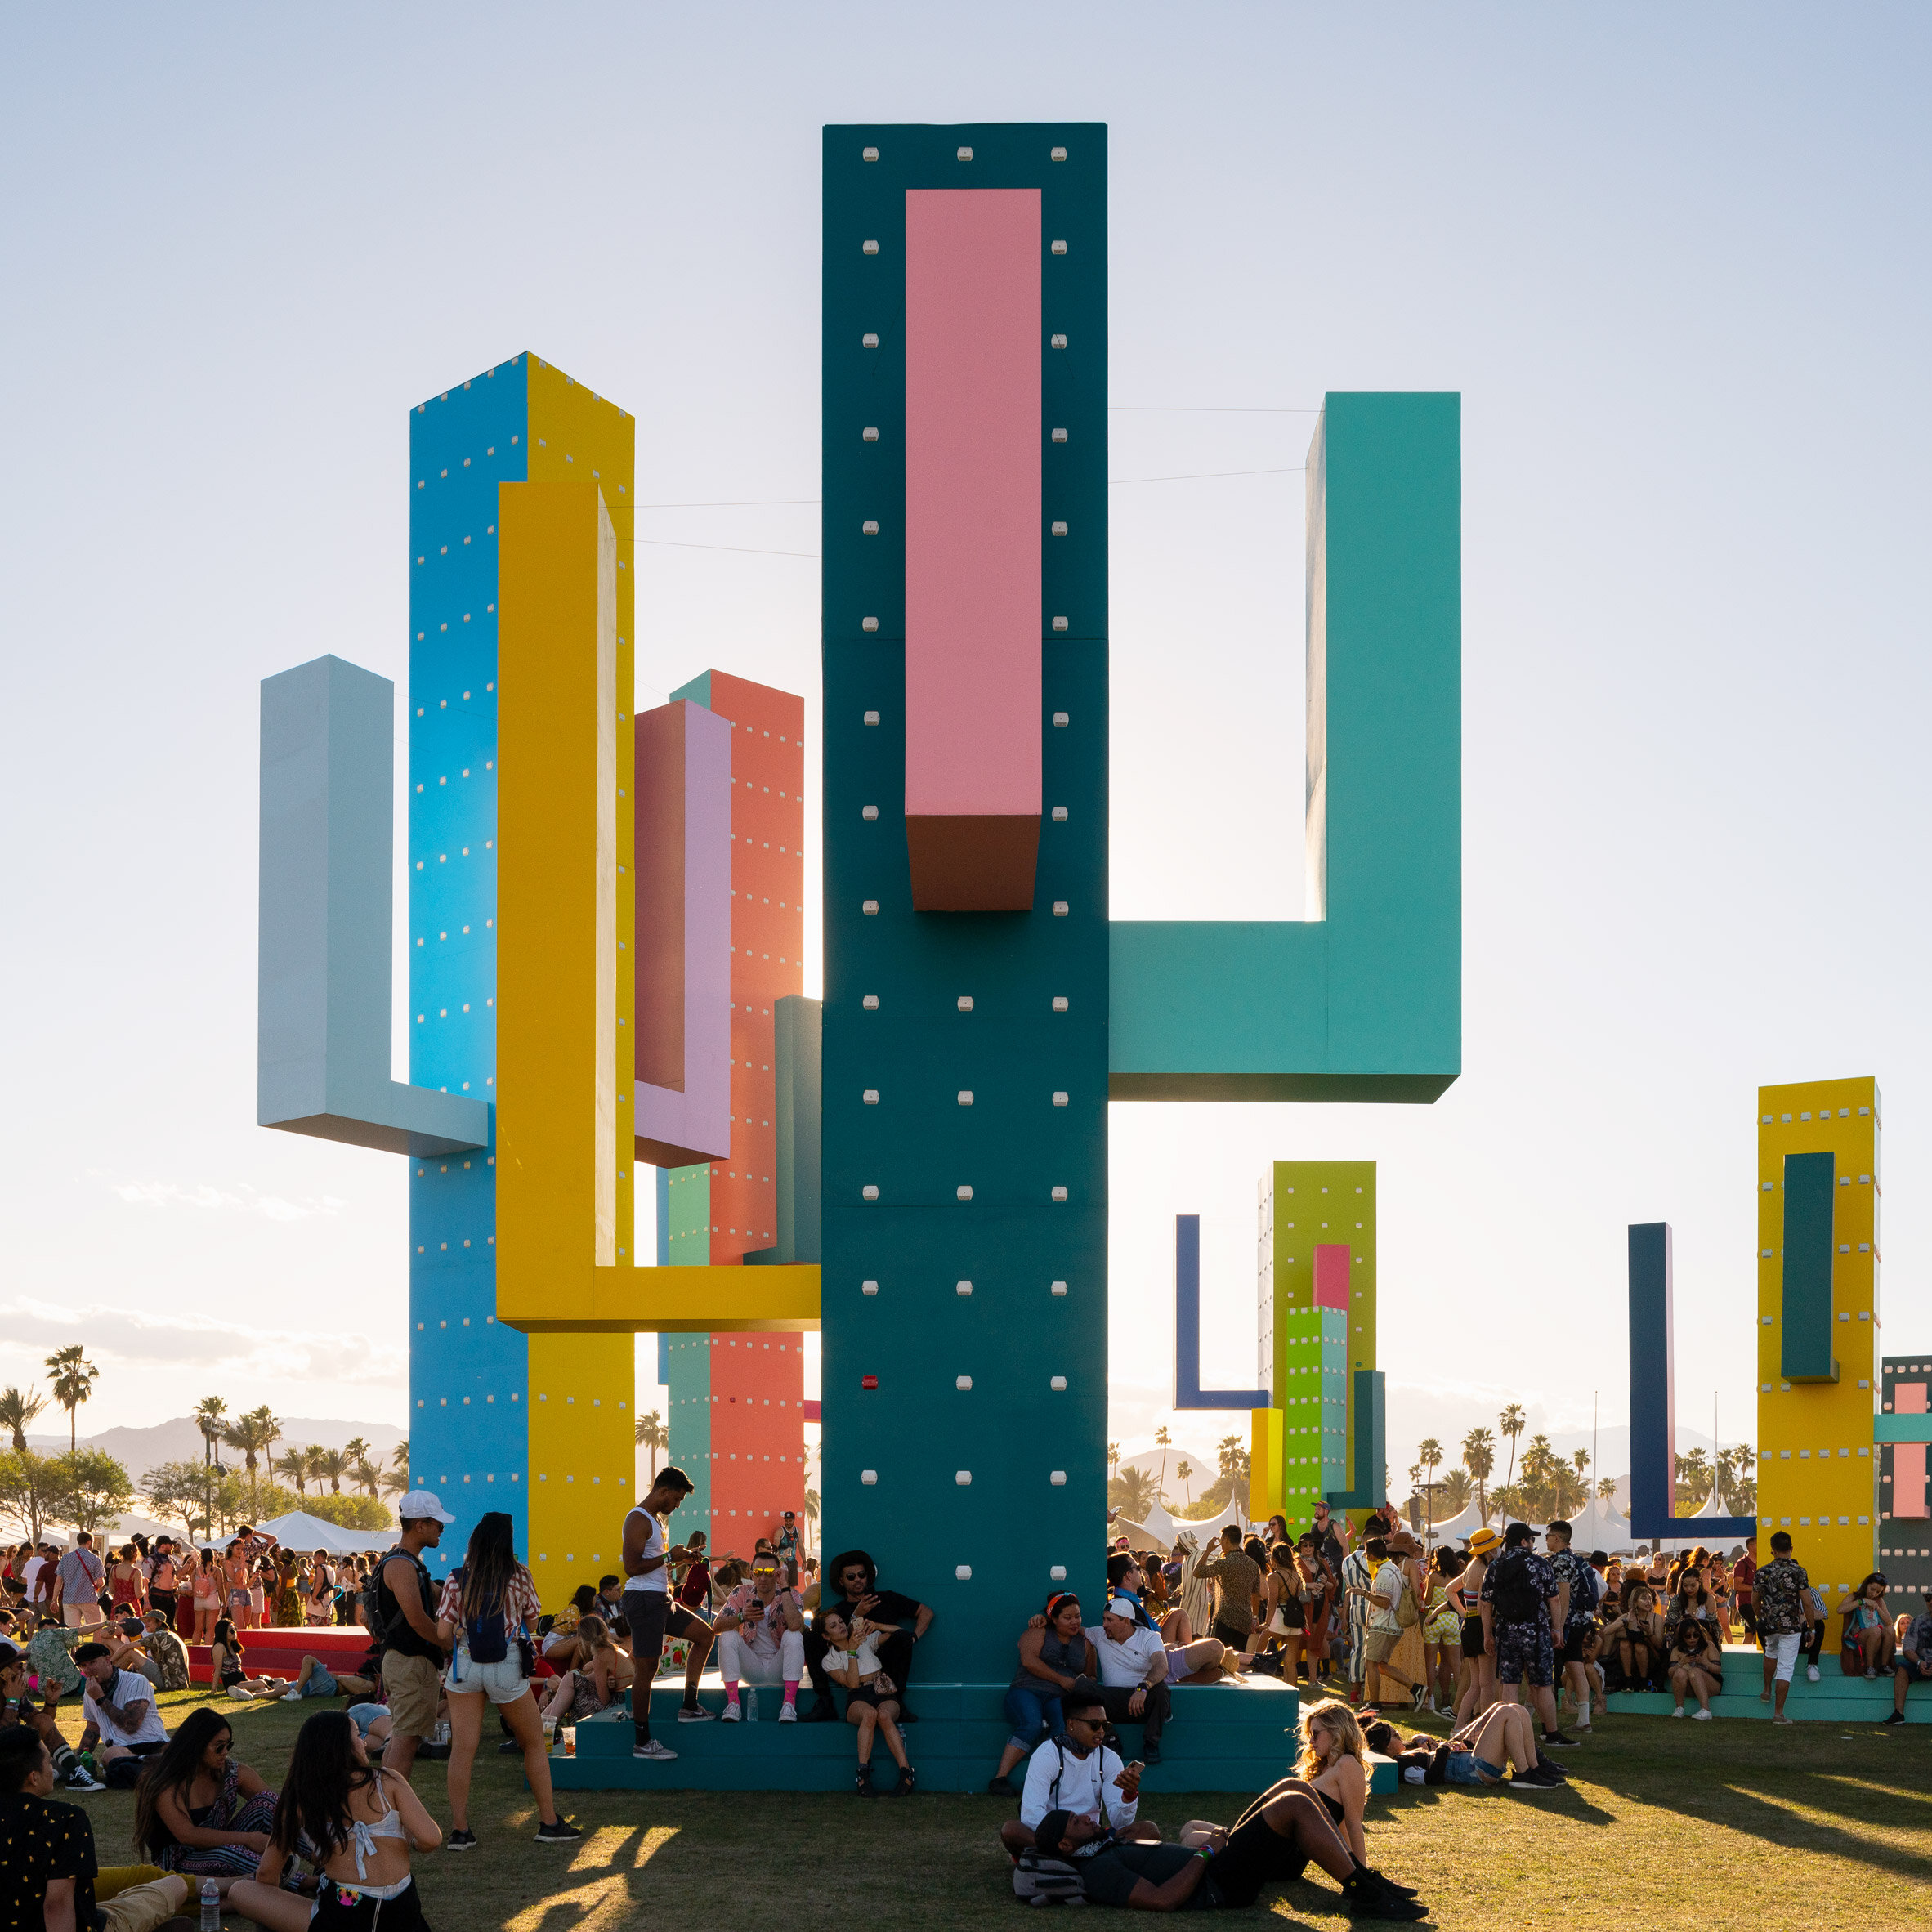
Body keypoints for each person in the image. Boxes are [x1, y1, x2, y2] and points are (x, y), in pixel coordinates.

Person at [433, 1508, 579, 1850]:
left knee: (463, 1749)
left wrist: (461, 1629)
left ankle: (460, 1831)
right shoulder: (519, 1575)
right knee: (532, 1742)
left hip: (465, 1666)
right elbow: (531, 1623)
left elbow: (442, 1630)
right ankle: (548, 1822)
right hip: (506, 1664)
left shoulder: (456, 1578)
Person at [229, 1709, 442, 1932]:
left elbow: (266, 1874)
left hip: (343, 1914)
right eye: (358, 1736)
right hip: (402, 1914)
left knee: (241, 1890)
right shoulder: (387, 1781)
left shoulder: (301, 1797)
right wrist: (408, 1840)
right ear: (341, 1746)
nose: (365, 1744)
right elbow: (432, 1839)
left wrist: (274, 1907)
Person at [1, 1726, 190, 1932]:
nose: (51, 1769)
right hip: (79, 1925)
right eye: (48, 1763)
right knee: (176, 1885)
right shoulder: (65, 1818)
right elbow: (56, 1905)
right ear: (33, 1777)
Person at [621, 1465, 718, 1759]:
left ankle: (689, 1705)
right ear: (662, 1491)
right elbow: (631, 1568)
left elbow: (655, 1563)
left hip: (661, 1599)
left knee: (705, 1634)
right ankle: (642, 1740)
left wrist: (682, 1559)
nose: (677, 1506)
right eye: (675, 1500)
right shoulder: (638, 1518)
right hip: (644, 1600)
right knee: (647, 1669)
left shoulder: (656, 1520)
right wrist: (667, 1556)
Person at [132, 1706, 280, 1885]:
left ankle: (320, 1856)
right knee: (229, 1853)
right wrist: (249, 1839)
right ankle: (302, 1881)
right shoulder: (164, 1780)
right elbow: (188, 1835)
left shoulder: (229, 1772)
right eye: (219, 1747)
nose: (225, 1752)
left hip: (221, 1842)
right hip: (180, 1861)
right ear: (197, 1745)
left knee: (267, 1803)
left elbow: (274, 1804)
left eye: (228, 1745)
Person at [373, 1490, 455, 1779]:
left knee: (403, 1737)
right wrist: (449, 1642)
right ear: (420, 1524)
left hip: (407, 1662)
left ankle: (389, 1805)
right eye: (438, 1524)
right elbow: (418, 1620)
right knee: (407, 1741)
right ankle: (388, 1808)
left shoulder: (409, 1562)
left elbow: (438, 1595)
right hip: (410, 1662)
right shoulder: (401, 1564)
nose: (442, 1530)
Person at [804, 1549, 933, 1724]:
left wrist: (914, 1638)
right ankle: (825, 1701)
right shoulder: (839, 1612)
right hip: (855, 1662)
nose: (858, 1579)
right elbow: (844, 1641)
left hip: (886, 1660)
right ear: (841, 1581)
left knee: (902, 1637)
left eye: (862, 1574)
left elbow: (926, 1612)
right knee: (811, 1638)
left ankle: (896, 1700)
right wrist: (856, 1615)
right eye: (851, 1577)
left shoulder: (886, 1598)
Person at [1479, 1523, 1577, 1747]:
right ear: (1524, 1541)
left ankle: (1513, 1734)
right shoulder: (1540, 1564)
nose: (1534, 1543)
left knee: (1510, 1685)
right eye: (1531, 1539)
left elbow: (1485, 1604)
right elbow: (1553, 1599)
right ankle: (1552, 1734)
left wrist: (1488, 1635)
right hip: (1537, 1631)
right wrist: (1557, 1629)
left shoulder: (1495, 1566)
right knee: (1542, 1684)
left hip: (1507, 1631)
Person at [990, 1591, 1094, 1792]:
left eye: (1077, 1616)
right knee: (1031, 1724)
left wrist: (1082, 1685)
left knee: (1064, 1728)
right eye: (1067, 1617)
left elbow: (1091, 1675)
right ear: (1053, 1619)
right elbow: (1029, 1661)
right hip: (1027, 1690)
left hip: (1059, 1697)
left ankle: (1043, 1779)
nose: (1074, 1622)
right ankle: (999, 1779)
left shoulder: (1085, 1642)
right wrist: (1062, 1680)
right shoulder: (1038, 1631)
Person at [1014, 1689, 1143, 1843]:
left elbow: (1120, 1823)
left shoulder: (1109, 1758)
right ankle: (1087, 1859)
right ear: (1071, 1724)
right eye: (1095, 1724)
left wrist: (1128, 1796)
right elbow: (1031, 1816)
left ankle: (1063, 1861)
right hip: (1058, 1838)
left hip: (1093, 1836)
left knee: (1147, 1831)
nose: (1101, 1731)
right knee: (1012, 1830)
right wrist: (1071, 1837)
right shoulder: (1048, 1755)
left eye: (1105, 1725)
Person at [818, 1608, 915, 1794]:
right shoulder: (830, 1659)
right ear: (826, 1636)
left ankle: (906, 1773)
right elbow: (852, 1684)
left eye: (840, 1622)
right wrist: (852, 1650)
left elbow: (901, 1633)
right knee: (870, 1714)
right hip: (858, 1696)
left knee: (884, 1715)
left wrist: (877, 1625)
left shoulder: (865, 1640)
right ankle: (863, 1774)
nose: (840, 1626)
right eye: (833, 1626)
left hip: (882, 1689)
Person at [1078, 1593, 1174, 1765]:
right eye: (1104, 1619)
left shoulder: (1149, 1637)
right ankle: (1110, 1736)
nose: (1104, 1624)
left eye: (1110, 1620)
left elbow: (1162, 1666)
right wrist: (1044, 1619)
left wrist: (1142, 1687)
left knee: (1161, 1690)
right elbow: (1073, 1628)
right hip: (1110, 1704)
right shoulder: (1099, 1634)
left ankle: (1151, 1744)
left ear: (1126, 1621)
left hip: (1141, 1700)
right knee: (1081, 1685)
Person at [714, 1550, 806, 1723]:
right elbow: (716, 1627)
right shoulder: (741, 1593)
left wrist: (785, 1585)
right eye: (758, 1573)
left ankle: (789, 1703)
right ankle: (733, 1703)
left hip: (780, 1668)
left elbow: (796, 1625)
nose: (763, 1578)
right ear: (751, 1574)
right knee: (727, 1636)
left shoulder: (791, 1594)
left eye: (770, 1573)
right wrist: (742, 1617)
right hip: (752, 1668)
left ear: (778, 1573)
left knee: (793, 1636)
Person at [75, 1639, 170, 1788]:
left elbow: (131, 1725)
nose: (88, 1670)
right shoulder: (90, 1692)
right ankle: (158, 1771)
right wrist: (77, 1760)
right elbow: (93, 1729)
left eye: (92, 1663)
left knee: (114, 1761)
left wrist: (100, 1699)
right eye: (83, 1666)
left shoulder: (136, 1681)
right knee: (110, 1755)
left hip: (152, 1744)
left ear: (108, 1660)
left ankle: (154, 1769)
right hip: (120, 1752)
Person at [1543, 1521, 1599, 1732]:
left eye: (1548, 1536)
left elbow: (1562, 1596)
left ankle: (1528, 1715)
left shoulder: (1561, 1561)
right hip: (1580, 1622)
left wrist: (1558, 1627)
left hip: (1566, 1624)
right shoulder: (1574, 1559)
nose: (1546, 1539)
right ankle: (1584, 1720)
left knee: (1543, 1670)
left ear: (1557, 1538)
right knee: (1576, 1669)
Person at [1755, 1529, 1810, 1723]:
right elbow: (1807, 1601)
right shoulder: (1799, 1571)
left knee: (1770, 1651)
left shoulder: (1762, 1571)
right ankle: (1778, 1713)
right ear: (1791, 1549)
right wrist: (1810, 1627)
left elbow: (1755, 1599)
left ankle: (1767, 1689)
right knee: (1786, 1667)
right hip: (1791, 1625)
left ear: (1772, 1550)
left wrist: (1761, 1615)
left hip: (1769, 1622)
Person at [1193, 1524, 1263, 1655]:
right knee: (1237, 1660)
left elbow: (1197, 1572)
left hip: (1224, 1619)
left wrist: (1207, 1551)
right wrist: (1254, 1617)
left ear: (1226, 1540)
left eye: (1221, 1540)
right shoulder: (1253, 1565)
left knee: (1219, 1658)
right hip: (1244, 1620)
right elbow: (1256, 1594)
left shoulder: (1224, 1563)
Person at [1453, 1526, 1499, 1722]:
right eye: (1495, 1547)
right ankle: (1484, 1725)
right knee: (1487, 1684)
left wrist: (1464, 1613)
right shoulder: (1485, 1570)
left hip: (1468, 1625)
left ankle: (1458, 1726)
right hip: (1481, 1625)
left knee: (1474, 1685)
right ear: (1489, 1550)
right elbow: (1483, 1607)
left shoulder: (1471, 1567)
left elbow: (1450, 1590)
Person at [1421, 1548, 1464, 1715]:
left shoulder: (1433, 1576)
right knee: (1454, 1663)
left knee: (1431, 1662)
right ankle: (1456, 1700)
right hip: (1453, 1619)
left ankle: (1430, 1699)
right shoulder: (1458, 1577)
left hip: (1434, 1618)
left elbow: (1428, 1599)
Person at [1885, 1592, 1932, 1724]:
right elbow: (1907, 1649)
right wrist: (1919, 1662)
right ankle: (1898, 1714)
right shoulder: (1917, 1622)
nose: (1931, 1601)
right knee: (1902, 1668)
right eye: (1928, 1598)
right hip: (1922, 1662)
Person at [1836, 1573, 1895, 1679]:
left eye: (1878, 1592)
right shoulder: (1854, 1597)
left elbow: (1889, 1622)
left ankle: (1884, 1665)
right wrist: (1862, 1601)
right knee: (1875, 1631)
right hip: (1859, 1637)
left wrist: (1877, 1607)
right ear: (1866, 1585)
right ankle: (1870, 1667)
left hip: (1876, 1635)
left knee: (1890, 1630)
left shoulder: (1879, 1600)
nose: (1874, 1594)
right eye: (1872, 1589)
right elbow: (1840, 1610)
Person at [1667, 1611, 1724, 1718]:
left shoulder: (1708, 1646)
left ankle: (1706, 1710)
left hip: (1711, 1684)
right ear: (1682, 1637)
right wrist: (1681, 1663)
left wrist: (1703, 1662)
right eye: (1688, 1636)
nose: (1692, 1638)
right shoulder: (1677, 1650)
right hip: (1689, 1687)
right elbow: (1671, 1673)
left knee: (1695, 1671)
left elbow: (1718, 1670)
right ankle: (1679, 1708)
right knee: (1679, 1672)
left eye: (1696, 1635)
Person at [54, 1533, 107, 1629]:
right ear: (89, 1542)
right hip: (88, 1598)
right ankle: (96, 1644)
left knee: (73, 1630)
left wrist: (55, 1600)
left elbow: (59, 1581)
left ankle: (74, 1644)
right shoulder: (95, 1559)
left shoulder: (65, 1558)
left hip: (69, 1598)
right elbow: (100, 1582)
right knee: (96, 1628)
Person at [139, 1608, 192, 1693]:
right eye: (145, 1621)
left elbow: (126, 1648)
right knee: (137, 1659)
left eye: (149, 1621)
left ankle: (113, 1680)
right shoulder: (171, 1634)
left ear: (159, 1623)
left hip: (169, 1684)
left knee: (131, 1653)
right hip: (181, 1682)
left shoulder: (159, 1635)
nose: (146, 1624)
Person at [1733, 1536, 1758, 1638]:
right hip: (1745, 1603)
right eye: (1758, 1543)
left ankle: (1745, 1653)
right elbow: (1737, 1585)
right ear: (1750, 1547)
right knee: (1758, 1630)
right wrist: (1756, 1588)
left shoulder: (1758, 1563)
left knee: (1749, 1634)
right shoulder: (1742, 1563)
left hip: (1755, 1602)